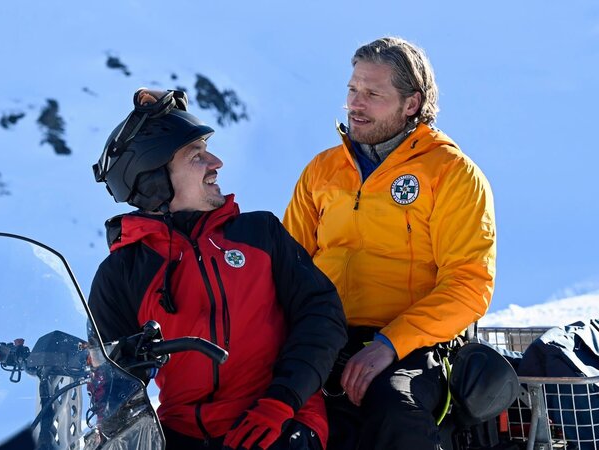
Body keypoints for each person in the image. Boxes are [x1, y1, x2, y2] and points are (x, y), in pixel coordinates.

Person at [88, 89, 346, 450]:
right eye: (197, 155)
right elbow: (111, 383)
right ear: (154, 182)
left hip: (282, 416)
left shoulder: (260, 234)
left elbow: (323, 315)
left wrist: (281, 401)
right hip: (181, 430)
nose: (216, 162)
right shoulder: (123, 272)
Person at [283, 37, 497, 449]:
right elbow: (287, 267)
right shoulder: (322, 170)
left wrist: (389, 344)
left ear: (411, 104)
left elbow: (469, 285)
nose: (355, 104)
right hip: (321, 336)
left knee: (394, 410)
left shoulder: (451, 173)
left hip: (413, 345)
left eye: (372, 94)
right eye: (352, 90)